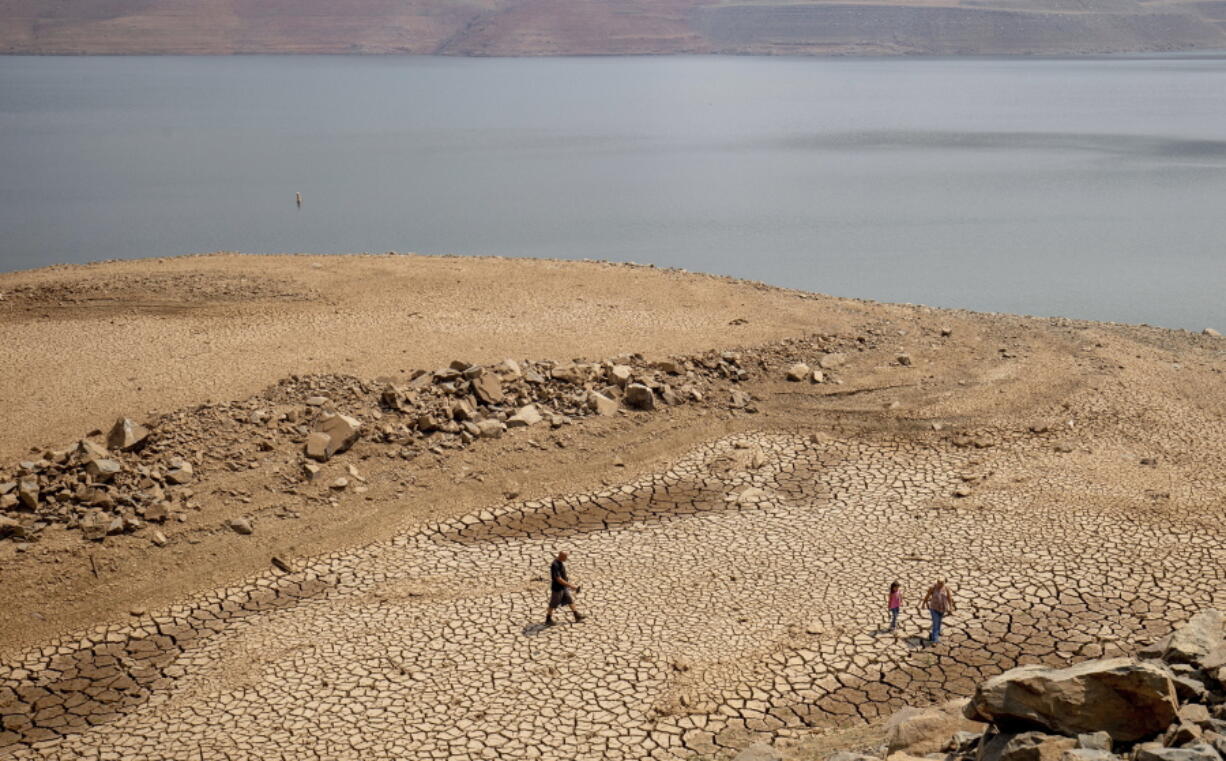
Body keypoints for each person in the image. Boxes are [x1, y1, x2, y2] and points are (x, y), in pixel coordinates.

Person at [545, 551, 585, 626]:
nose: (566, 559)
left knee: (570, 600)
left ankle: (577, 615)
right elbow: (558, 579)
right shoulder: (555, 565)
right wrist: (570, 585)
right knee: (553, 604)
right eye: (565, 557)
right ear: (561, 556)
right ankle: (548, 619)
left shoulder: (560, 562)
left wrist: (567, 585)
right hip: (557, 589)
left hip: (563, 587)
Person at [919, 580, 955, 644]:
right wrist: (923, 604)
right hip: (934, 608)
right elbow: (927, 596)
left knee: (939, 621)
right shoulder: (932, 588)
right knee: (935, 623)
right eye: (940, 583)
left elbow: (949, 598)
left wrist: (951, 607)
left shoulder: (946, 588)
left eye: (942, 583)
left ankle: (936, 632)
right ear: (937, 582)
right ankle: (935, 640)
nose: (941, 584)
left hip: (942, 608)